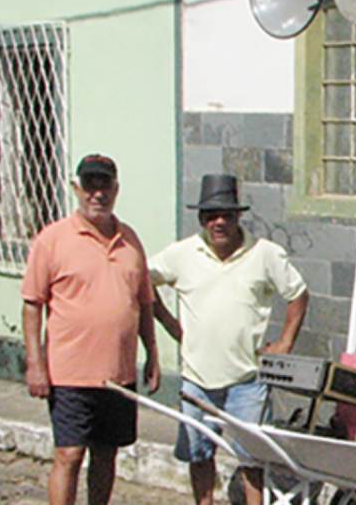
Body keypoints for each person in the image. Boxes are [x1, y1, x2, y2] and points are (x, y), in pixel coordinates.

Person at [149, 174, 309, 505]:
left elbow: (298, 294)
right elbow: (141, 280)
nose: (218, 222)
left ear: (238, 216)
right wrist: (168, 323)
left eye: (226, 215)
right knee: (198, 454)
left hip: (247, 380)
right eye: (211, 216)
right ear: (201, 219)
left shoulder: (265, 253)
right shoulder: (182, 254)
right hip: (196, 378)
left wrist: (285, 343)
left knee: (252, 460)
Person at [21, 153, 161, 505]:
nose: (97, 193)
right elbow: (32, 305)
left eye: (105, 185)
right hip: (69, 373)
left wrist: (153, 356)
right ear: (76, 188)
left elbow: (144, 303)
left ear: (116, 189)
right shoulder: (52, 239)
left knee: (106, 454)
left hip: (117, 374)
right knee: (69, 455)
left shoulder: (130, 240)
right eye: (90, 185)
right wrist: (35, 364)